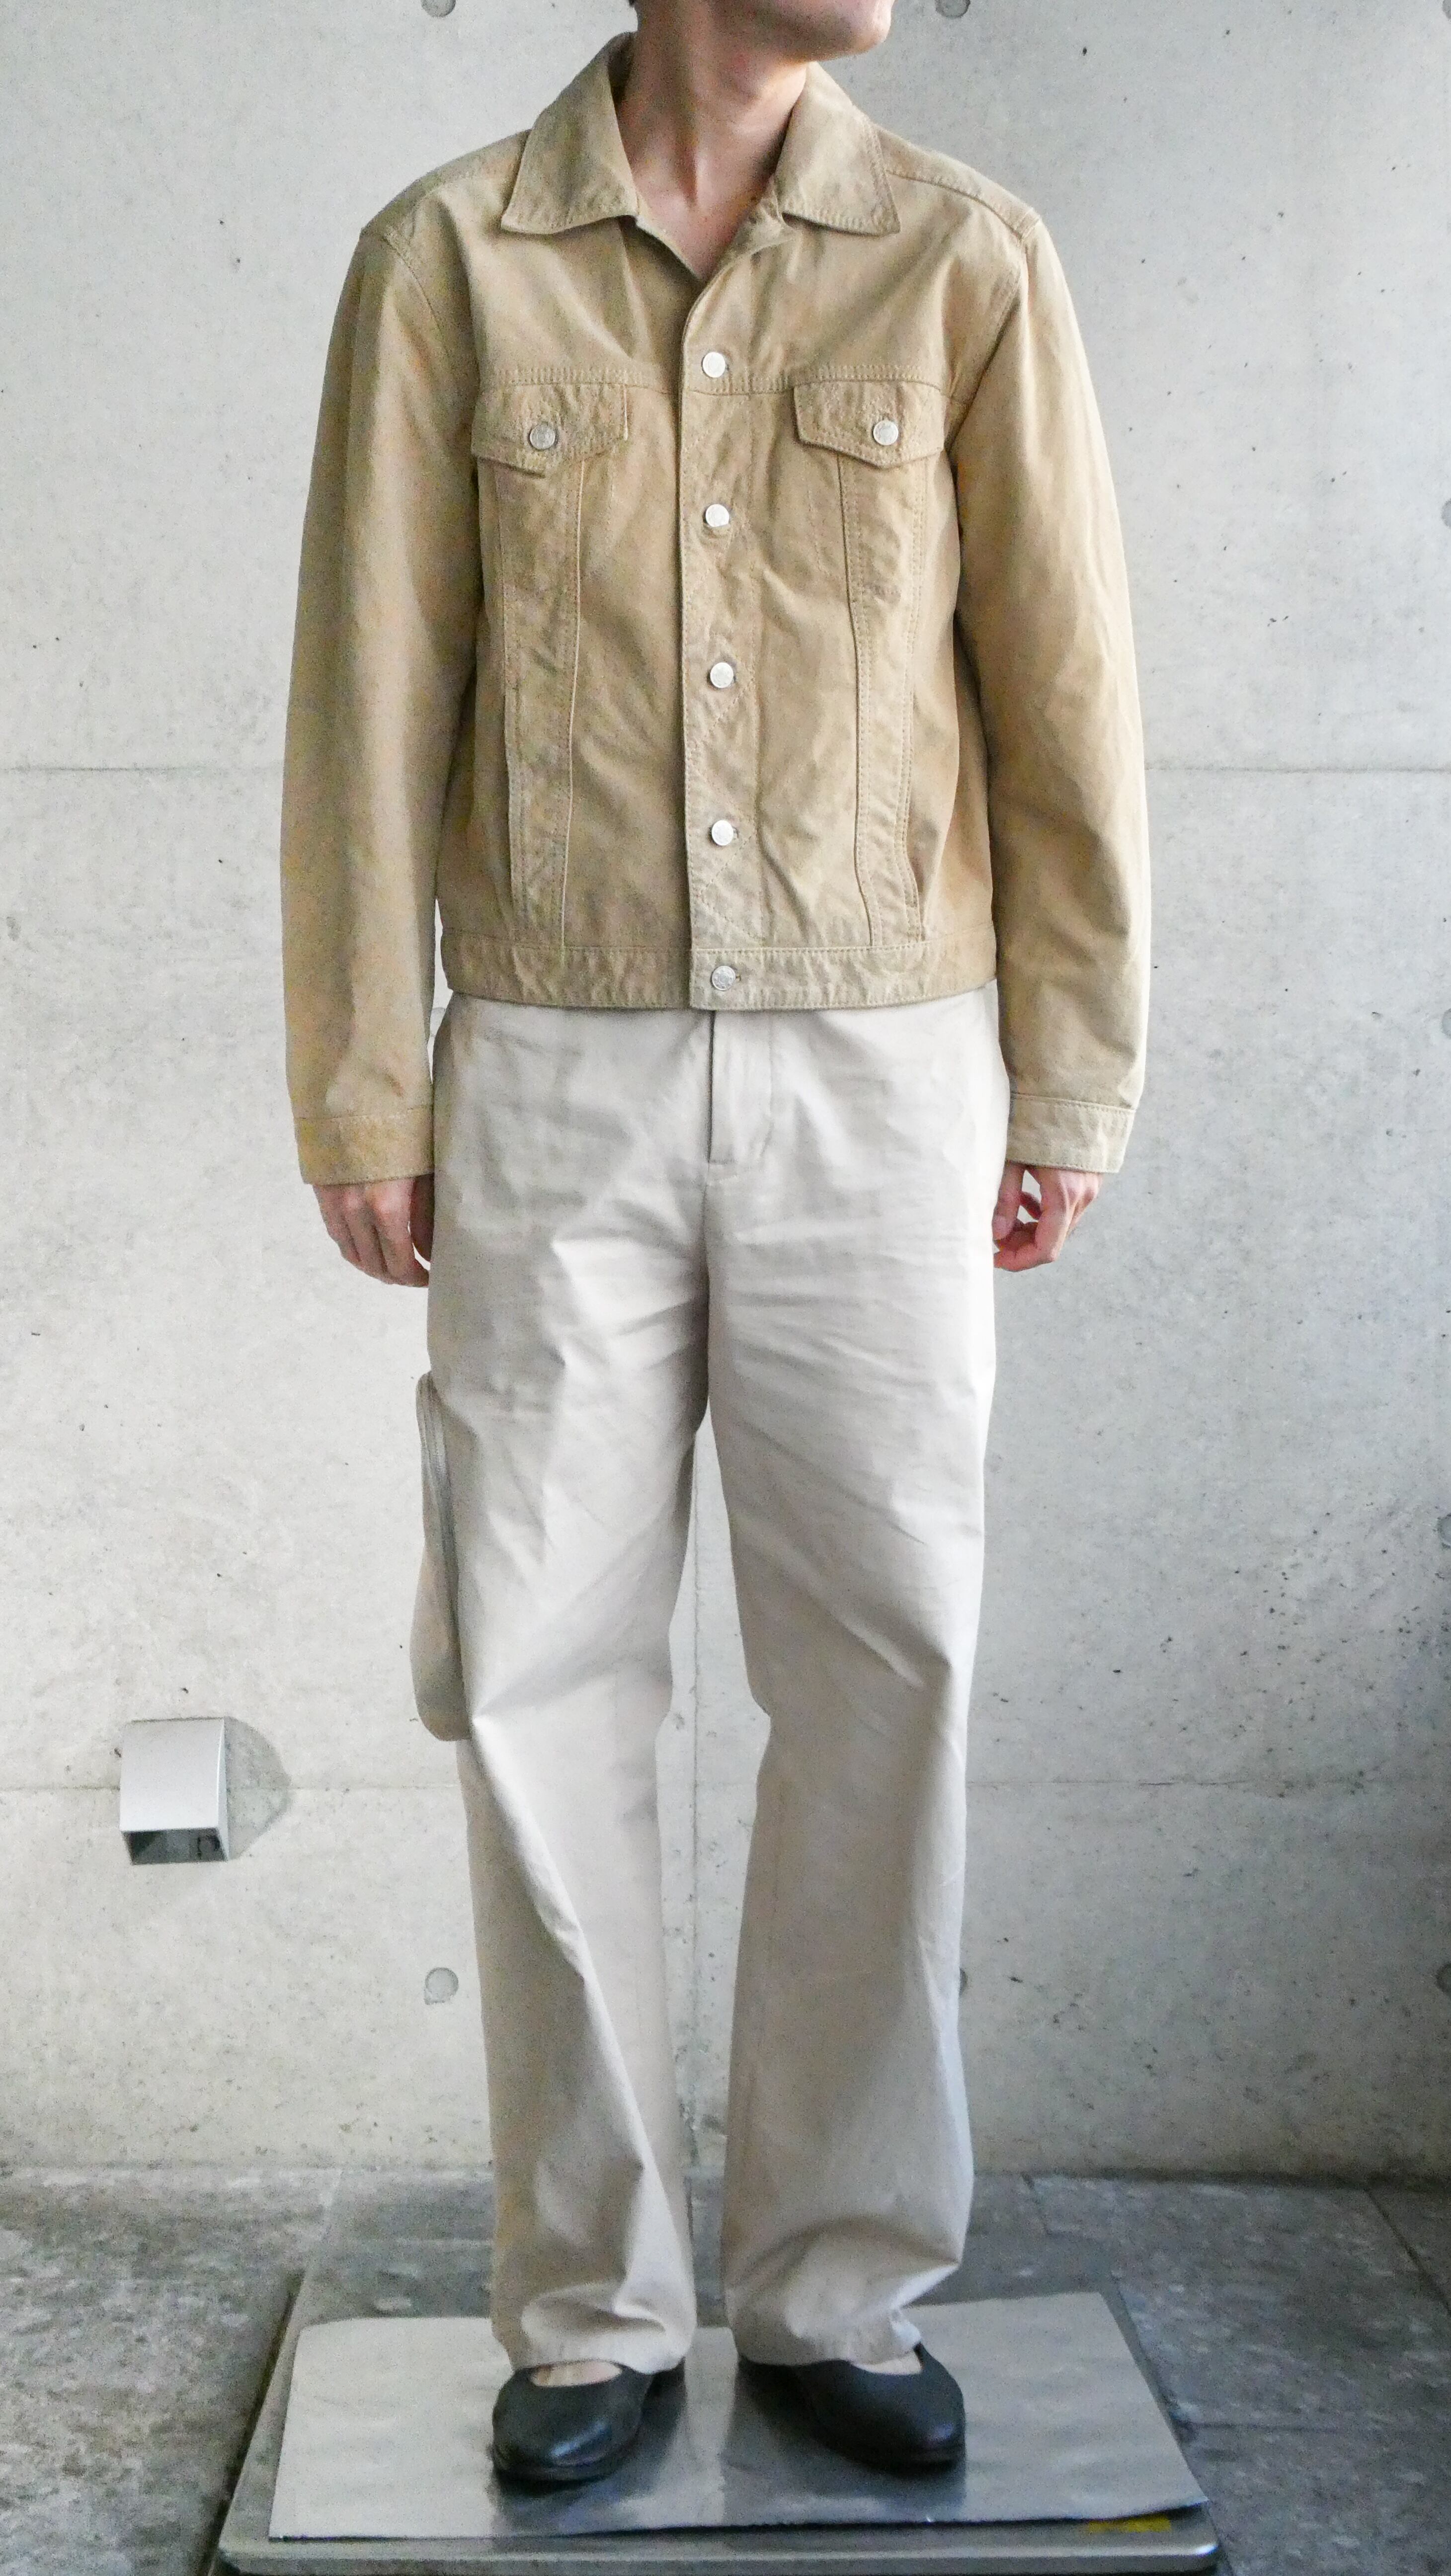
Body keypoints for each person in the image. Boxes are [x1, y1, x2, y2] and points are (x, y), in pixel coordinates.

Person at [281, 0, 1148, 2492]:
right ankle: (589, 2315)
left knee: (886, 1656)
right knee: (535, 1676)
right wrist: (365, 1074)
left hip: (886, 1065)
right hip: (549, 1064)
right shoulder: (447, 259)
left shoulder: (966, 258)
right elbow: (370, 694)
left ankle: (838, 2286)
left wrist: (1071, 1070)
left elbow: (1063, 696)